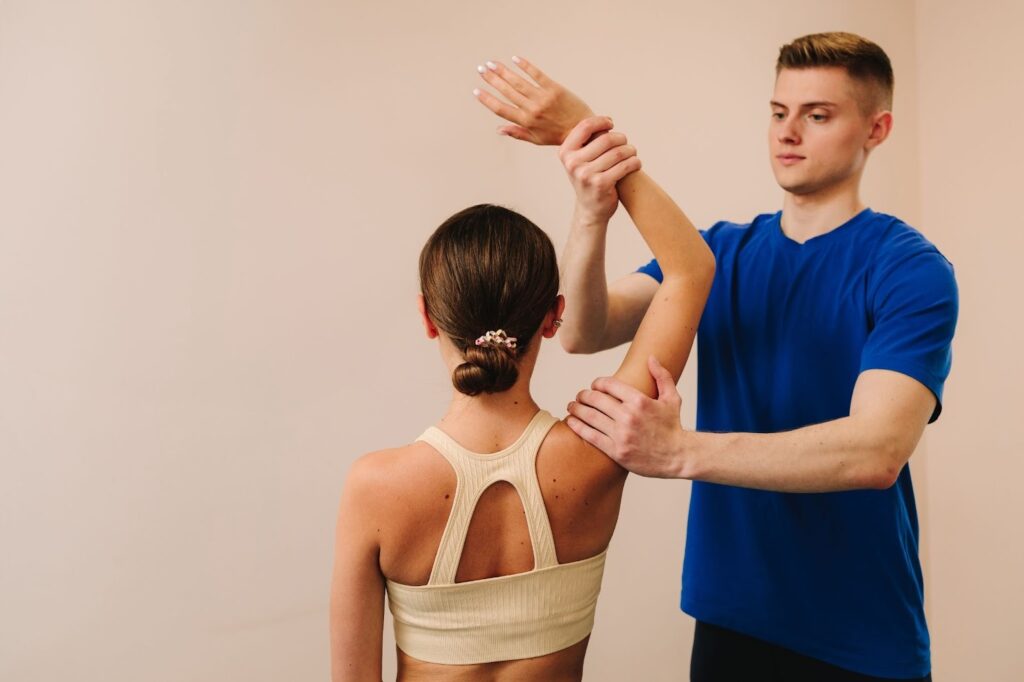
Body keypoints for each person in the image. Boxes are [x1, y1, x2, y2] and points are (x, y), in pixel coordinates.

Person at [474, 33, 957, 681]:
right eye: (779, 112)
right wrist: (592, 215)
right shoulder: (720, 254)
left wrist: (680, 451)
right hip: (731, 616)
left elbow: (875, 451)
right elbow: (585, 330)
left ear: (877, 128)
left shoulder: (910, 269)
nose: (788, 133)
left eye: (817, 115)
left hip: (859, 633)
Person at [329, 115, 715, 681]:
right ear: (553, 317)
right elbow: (691, 267)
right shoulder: (599, 451)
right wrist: (585, 138)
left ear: (428, 318)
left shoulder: (376, 487)